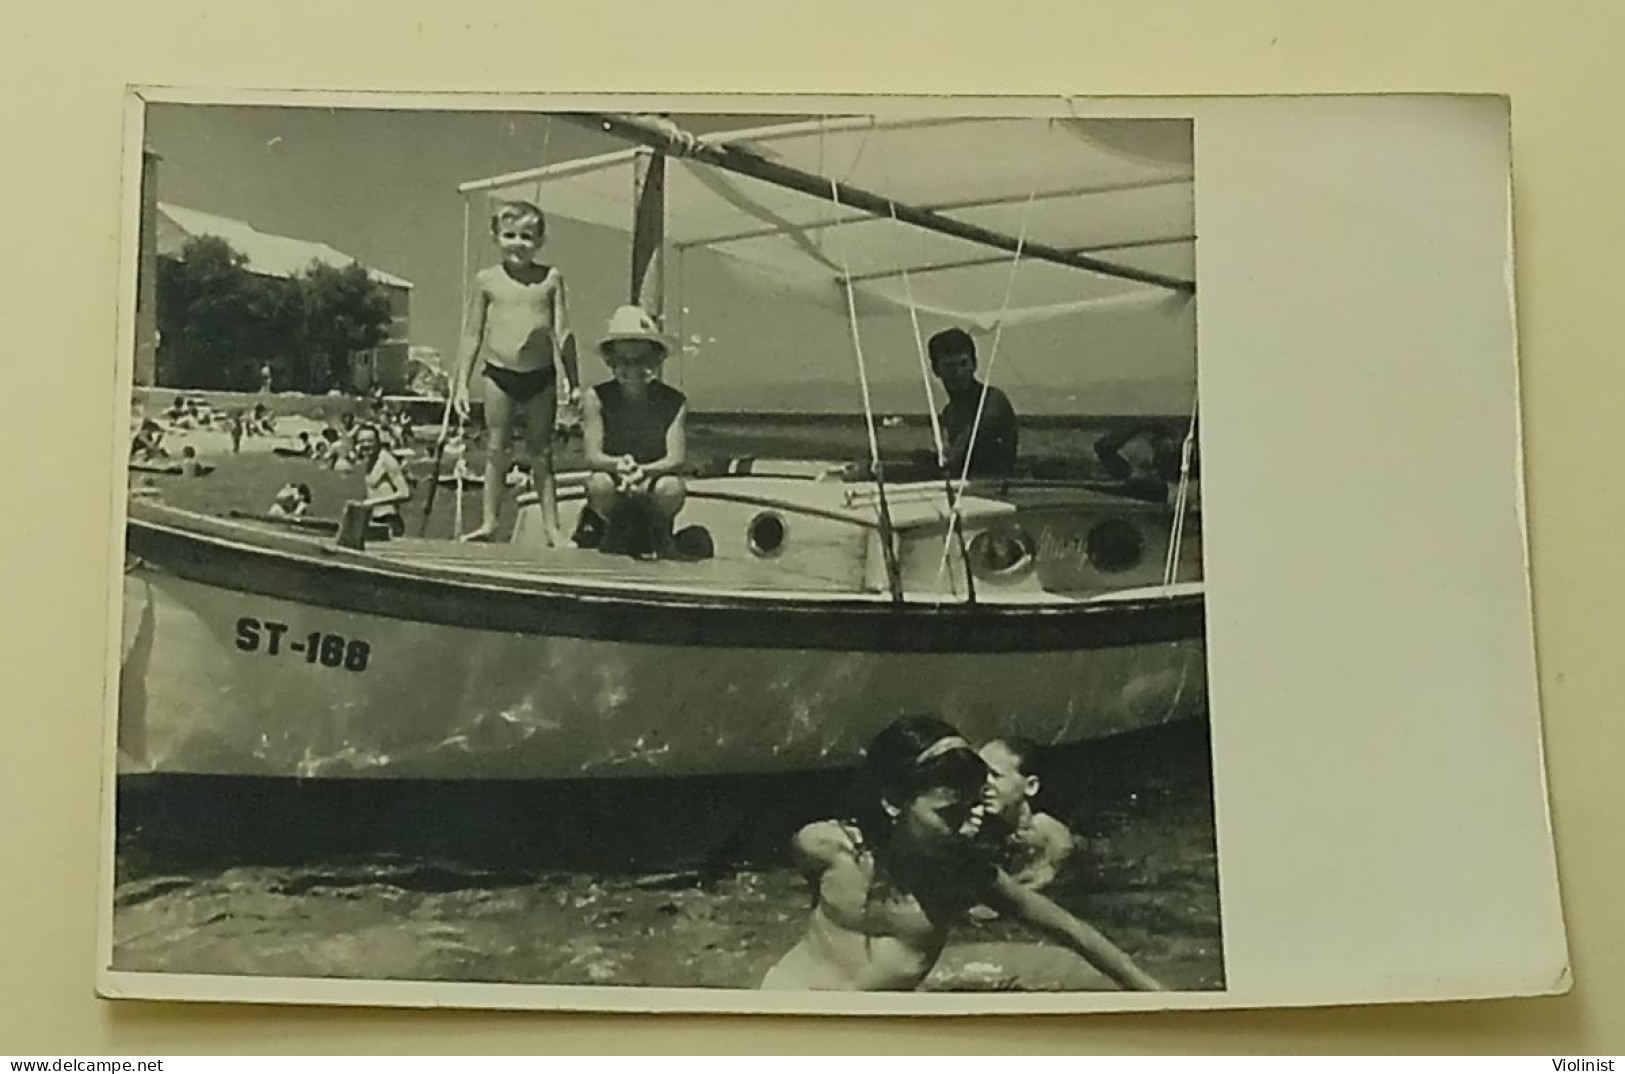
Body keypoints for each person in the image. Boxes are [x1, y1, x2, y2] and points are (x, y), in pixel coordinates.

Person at [760, 715, 1163, 992]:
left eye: (975, 808)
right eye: (951, 813)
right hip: (787, 1001)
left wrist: (1160, 998)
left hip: (871, 1032)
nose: (971, 825)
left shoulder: (963, 874)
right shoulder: (827, 847)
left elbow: (1072, 931)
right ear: (894, 802)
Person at [451, 200, 580, 544]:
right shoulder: (486, 280)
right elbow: (471, 332)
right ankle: (490, 523)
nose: (518, 243)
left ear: (540, 240)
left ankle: (553, 528)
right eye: (509, 235)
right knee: (496, 449)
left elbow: (563, 332)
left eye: (526, 236)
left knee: (541, 452)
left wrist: (574, 381)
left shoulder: (550, 278)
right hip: (498, 374)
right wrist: (461, 385)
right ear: (495, 237)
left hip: (540, 376)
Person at [579, 305, 688, 558]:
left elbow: (676, 458)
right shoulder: (596, 397)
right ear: (609, 361)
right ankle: (611, 529)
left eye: (640, 360)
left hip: (652, 482)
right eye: (621, 361)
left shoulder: (674, 401)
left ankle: (660, 533)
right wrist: (619, 466)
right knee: (599, 483)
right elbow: (593, 456)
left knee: (672, 488)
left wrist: (644, 472)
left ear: (654, 360)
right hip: (616, 481)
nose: (631, 369)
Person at [978, 737, 1076, 894]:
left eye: (995, 775)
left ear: (1030, 786)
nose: (984, 784)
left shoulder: (1050, 833)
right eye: (980, 774)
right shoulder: (975, 829)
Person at [928, 327, 1019, 479]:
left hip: (995, 490)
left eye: (963, 364)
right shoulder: (950, 412)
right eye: (950, 366)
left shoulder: (991, 401)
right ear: (936, 370)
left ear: (974, 364)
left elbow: (963, 452)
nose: (958, 372)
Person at [353, 423, 412, 537]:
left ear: (378, 442)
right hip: (375, 519)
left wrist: (372, 502)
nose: (366, 445)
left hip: (389, 521)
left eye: (370, 441)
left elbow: (405, 493)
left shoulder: (387, 461)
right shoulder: (370, 461)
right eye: (362, 441)